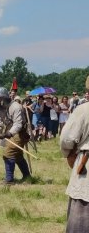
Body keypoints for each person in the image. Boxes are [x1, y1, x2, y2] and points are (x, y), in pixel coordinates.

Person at [60, 79, 89, 232]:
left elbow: (67, 139)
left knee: (81, 221)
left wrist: (69, 154)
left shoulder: (84, 110)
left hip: (87, 172)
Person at [0, 87, 31, 185]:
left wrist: (8, 134)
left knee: (8, 153)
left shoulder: (16, 107)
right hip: (10, 132)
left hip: (20, 133)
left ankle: (9, 179)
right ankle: (27, 177)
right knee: (18, 156)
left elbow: (18, 124)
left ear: (3, 98)